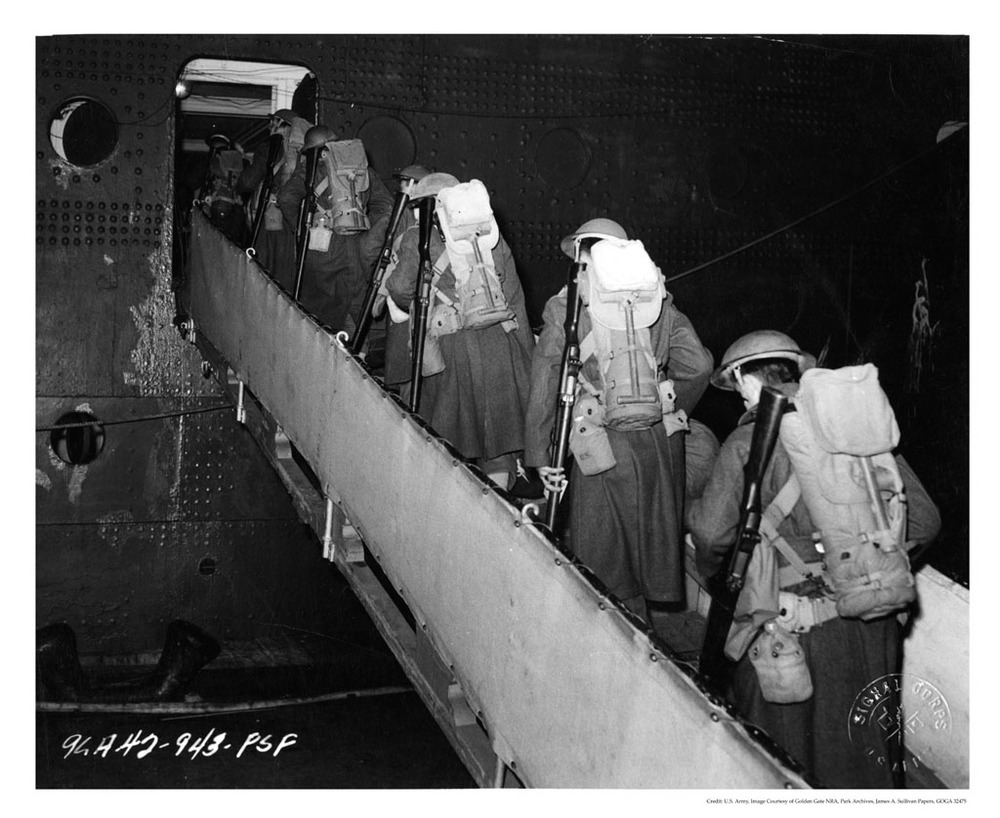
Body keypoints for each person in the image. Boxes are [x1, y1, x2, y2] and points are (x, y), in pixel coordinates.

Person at [686, 329, 942, 788]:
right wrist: (867, 565)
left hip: (791, 632)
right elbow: (924, 521)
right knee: (867, 761)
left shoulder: (746, 444)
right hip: (871, 619)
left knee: (784, 765)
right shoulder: (855, 431)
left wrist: (723, 578)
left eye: (737, 383)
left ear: (746, 379)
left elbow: (709, 534)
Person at [523, 218, 714, 623]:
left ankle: (614, 637)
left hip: (600, 443)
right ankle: (645, 629)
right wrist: (664, 408)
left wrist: (541, 455)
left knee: (605, 556)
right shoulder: (655, 298)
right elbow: (698, 366)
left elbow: (546, 378)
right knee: (652, 543)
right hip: (659, 443)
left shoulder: (567, 304)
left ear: (583, 254)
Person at [384, 173, 535, 489]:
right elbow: (515, 297)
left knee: (449, 439)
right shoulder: (491, 235)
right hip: (498, 347)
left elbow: (399, 287)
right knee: (498, 445)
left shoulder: (418, 237)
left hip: (451, 351)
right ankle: (497, 505)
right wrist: (524, 358)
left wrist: (426, 308)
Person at [278, 124, 395, 333]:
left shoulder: (310, 170)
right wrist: (365, 227)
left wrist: (303, 229)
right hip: (356, 247)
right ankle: (354, 347)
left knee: (319, 311)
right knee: (355, 307)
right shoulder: (362, 170)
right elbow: (387, 206)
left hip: (322, 248)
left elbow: (286, 198)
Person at [236, 108, 310, 292]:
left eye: (273, 122)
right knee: (286, 277)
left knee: (262, 274)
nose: (269, 126)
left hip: (270, 222)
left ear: (284, 125)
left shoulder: (269, 148)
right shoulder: (305, 153)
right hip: (294, 220)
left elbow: (248, 182)